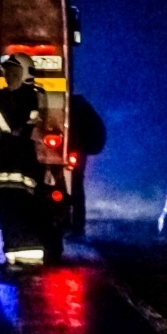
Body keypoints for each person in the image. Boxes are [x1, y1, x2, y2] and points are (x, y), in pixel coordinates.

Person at [0, 52, 46, 251]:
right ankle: (12, 252)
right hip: (3, 175)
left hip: (21, 172)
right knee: (7, 216)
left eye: (14, 71)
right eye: (6, 71)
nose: (8, 75)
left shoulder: (31, 97)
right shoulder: (5, 99)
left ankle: (19, 254)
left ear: (25, 74)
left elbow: (12, 126)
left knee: (21, 214)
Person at [68, 94, 106, 236]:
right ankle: (78, 228)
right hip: (78, 152)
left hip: (76, 151)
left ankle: (75, 227)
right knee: (77, 188)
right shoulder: (81, 106)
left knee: (76, 187)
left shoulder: (78, 106)